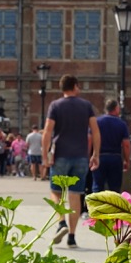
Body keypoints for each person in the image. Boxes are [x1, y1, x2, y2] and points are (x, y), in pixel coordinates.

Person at [44, 75, 101, 248]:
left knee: (55, 192)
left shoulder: (55, 105)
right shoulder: (86, 106)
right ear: (75, 86)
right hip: (81, 157)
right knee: (75, 195)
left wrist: (44, 154)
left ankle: (61, 222)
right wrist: (95, 154)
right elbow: (95, 132)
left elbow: (47, 132)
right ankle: (72, 236)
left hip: (60, 155)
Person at [93, 99, 131, 193]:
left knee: (97, 187)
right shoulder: (121, 124)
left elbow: (90, 139)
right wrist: (127, 160)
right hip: (115, 158)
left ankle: (96, 206)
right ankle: (113, 207)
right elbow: (126, 144)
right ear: (116, 109)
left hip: (99, 157)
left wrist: (90, 156)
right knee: (114, 188)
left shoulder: (97, 122)